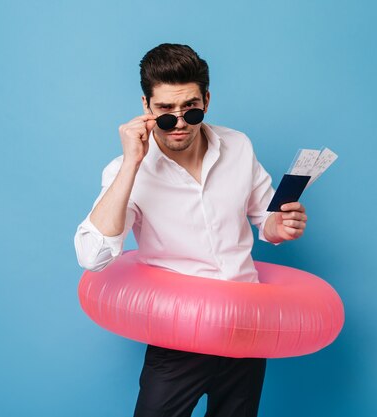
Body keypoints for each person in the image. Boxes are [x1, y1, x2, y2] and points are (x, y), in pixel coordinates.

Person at [74, 43, 308, 417]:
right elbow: (92, 255)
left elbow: (266, 218)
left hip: (246, 325)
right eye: (165, 112)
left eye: (191, 108)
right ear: (146, 108)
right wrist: (132, 164)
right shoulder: (128, 170)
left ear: (207, 100)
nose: (179, 122)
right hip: (179, 335)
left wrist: (279, 224)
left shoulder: (238, 145)